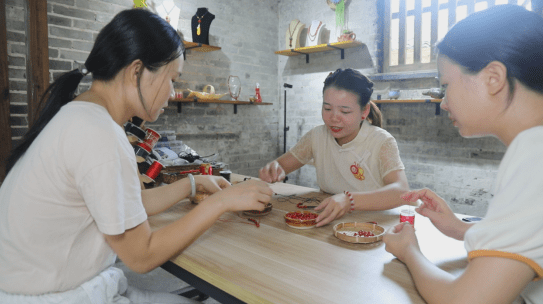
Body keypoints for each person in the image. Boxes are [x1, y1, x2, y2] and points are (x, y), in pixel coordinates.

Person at [0, 9, 272, 304]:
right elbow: (142, 255)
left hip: (72, 286)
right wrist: (221, 203)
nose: (172, 93)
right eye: (172, 79)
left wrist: (194, 183)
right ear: (136, 71)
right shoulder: (98, 134)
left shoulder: (85, 116)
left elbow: (132, 204)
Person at [383, 4, 543, 304]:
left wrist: (409, 251)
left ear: (493, 77)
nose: (443, 103)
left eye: (446, 86)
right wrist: (459, 228)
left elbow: (463, 300)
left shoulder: (534, 155)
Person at [259, 69, 410, 227]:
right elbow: (282, 165)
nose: (333, 118)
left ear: (364, 111)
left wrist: (349, 200)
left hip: (371, 226)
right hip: (329, 222)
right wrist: (274, 169)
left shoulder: (381, 141)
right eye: (327, 109)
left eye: (345, 111)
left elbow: (401, 192)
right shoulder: (317, 136)